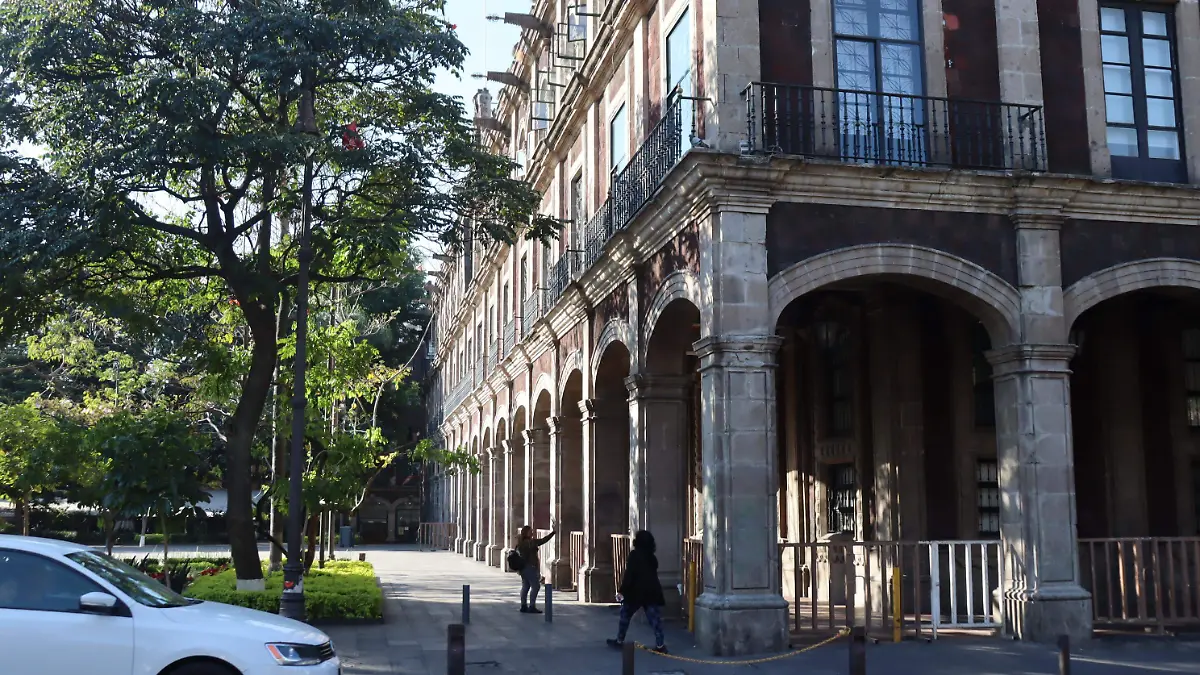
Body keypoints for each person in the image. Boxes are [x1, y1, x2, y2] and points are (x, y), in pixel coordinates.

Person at [607, 530, 667, 653]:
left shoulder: (634, 555)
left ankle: (619, 640)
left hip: (635, 592)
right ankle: (660, 645)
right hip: (651, 591)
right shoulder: (652, 557)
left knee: (625, 616)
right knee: (655, 619)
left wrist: (622, 590)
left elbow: (629, 575)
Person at [515, 525, 555, 613]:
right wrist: (553, 532)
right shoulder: (529, 543)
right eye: (530, 531)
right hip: (529, 567)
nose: (532, 533)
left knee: (525, 586)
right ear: (526, 533)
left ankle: (523, 605)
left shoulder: (521, 543)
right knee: (536, 586)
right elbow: (542, 540)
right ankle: (532, 606)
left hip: (523, 568)